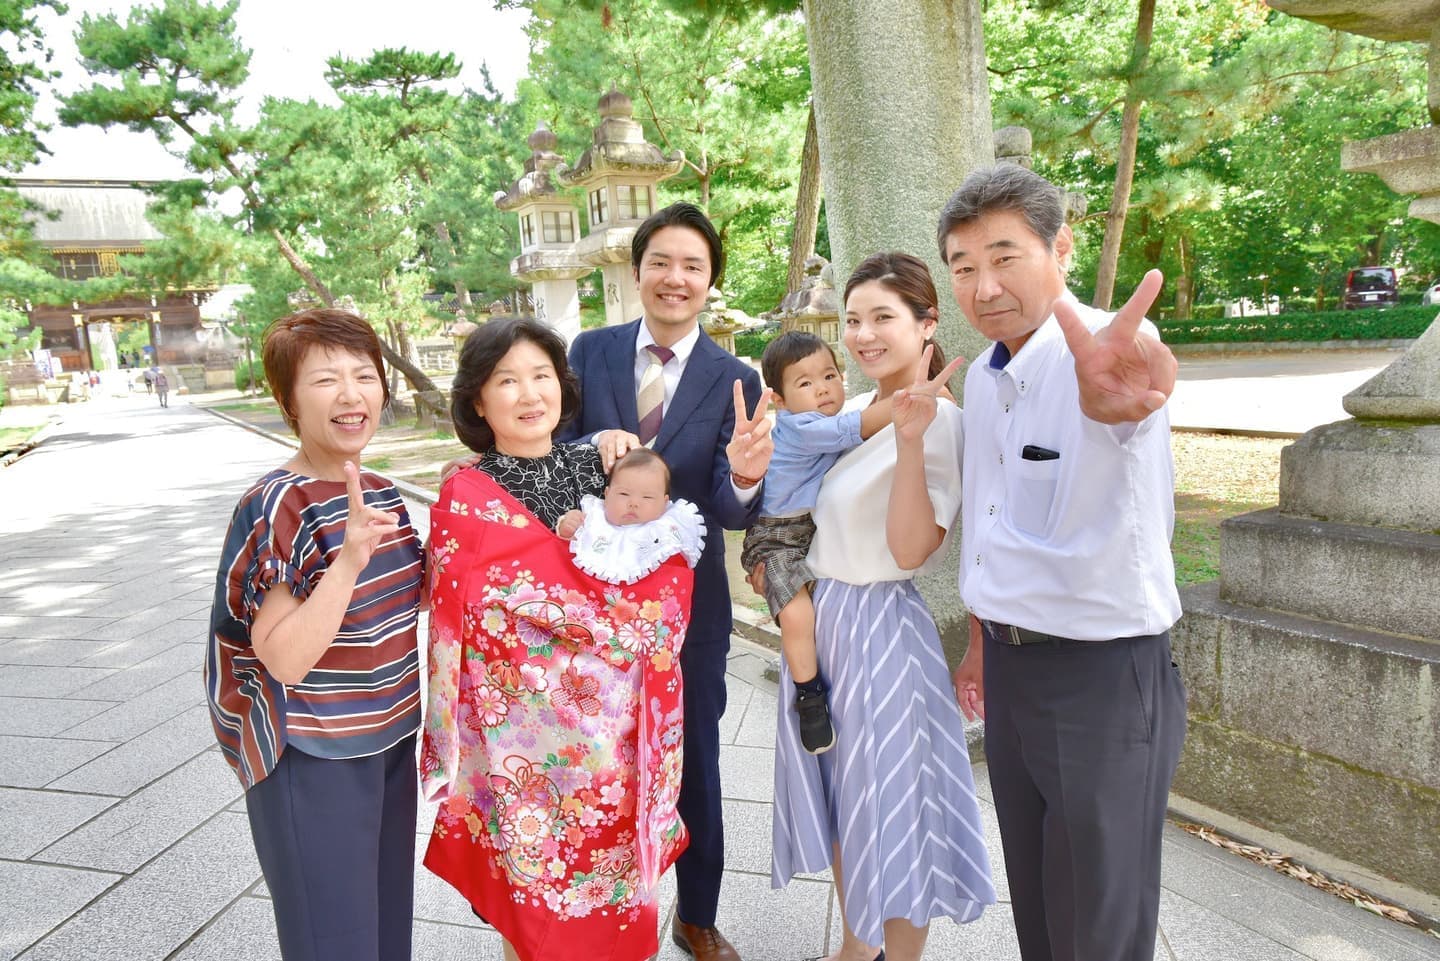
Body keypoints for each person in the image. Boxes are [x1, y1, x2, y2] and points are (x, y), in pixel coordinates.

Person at [939, 163, 1185, 961]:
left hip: (1101, 675)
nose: (984, 286)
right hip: (1012, 671)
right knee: (1042, 909)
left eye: (1006, 257)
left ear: (1062, 247)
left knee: (1098, 924)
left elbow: (1129, 412)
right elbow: (989, 517)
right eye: (964, 266)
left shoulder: (1109, 354)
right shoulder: (984, 374)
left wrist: (1123, 407)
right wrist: (981, 638)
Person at [421, 319, 692, 961]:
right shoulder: (467, 492)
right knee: (534, 888)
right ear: (477, 401)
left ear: (563, 388)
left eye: (541, 375)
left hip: (614, 738)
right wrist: (584, 616)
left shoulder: (607, 469)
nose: (528, 393)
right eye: (506, 380)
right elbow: (477, 607)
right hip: (523, 746)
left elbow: (664, 579)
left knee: (615, 878)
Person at [558, 201, 773, 961]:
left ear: (711, 281)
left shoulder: (733, 376)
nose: (674, 278)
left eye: (693, 266)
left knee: (694, 759)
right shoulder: (591, 349)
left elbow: (724, 501)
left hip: (690, 613)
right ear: (638, 268)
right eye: (662, 262)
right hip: (590, 601)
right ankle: (591, 904)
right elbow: (550, 444)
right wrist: (591, 446)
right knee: (592, 753)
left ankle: (696, 914)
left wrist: (746, 476)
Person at [770, 253, 995, 961]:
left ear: (927, 324)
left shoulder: (939, 423)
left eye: (884, 318)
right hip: (826, 615)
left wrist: (909, 437)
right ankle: (853, 948)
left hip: (880, 628)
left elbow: (909, 549)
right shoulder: (854, 415)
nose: (864, 335)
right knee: (844, 799)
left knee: (894, 808)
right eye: (854, 319)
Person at [205, 308, 424, 961]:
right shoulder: (275, 503)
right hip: (310, 753)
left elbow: (409, 602)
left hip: (387, 742)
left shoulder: (380, 491)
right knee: (334, 944)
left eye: (365, 374)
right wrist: (348, 561)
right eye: (327, 379)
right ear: (289, 401)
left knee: (386, 936)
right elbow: (285, 656)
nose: (353, 394)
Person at [739, 331, 893, 754]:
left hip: (811, 531)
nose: (823, 387)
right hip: (776, 538)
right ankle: (809, 694)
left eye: (829, 374)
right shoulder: (802, 427)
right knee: (797, 613)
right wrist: (910, 400)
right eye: (805, 383)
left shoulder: (826, 421)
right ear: (780, 401)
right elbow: (859, 424)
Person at [560, 447, 707, 584]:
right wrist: (568, 528)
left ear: (664, 503)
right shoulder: (594, 518)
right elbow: (568, 550)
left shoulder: (667, 527)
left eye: (647, 497)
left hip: (652, 604)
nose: (634, 503)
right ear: (607, 494)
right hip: (593, 601)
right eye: (624, 494)